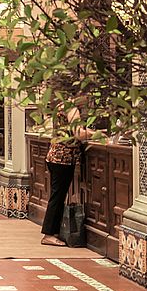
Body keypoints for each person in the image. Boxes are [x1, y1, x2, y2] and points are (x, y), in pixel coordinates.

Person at [41, 100, 91, 246]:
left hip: (56, 156)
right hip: (63, 158)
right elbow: (79, 134)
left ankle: (51, 232)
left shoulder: (61, 105)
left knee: (57, 195)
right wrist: (95, 134)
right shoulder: (72, 109)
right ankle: (49, 234)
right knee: (57, 196)